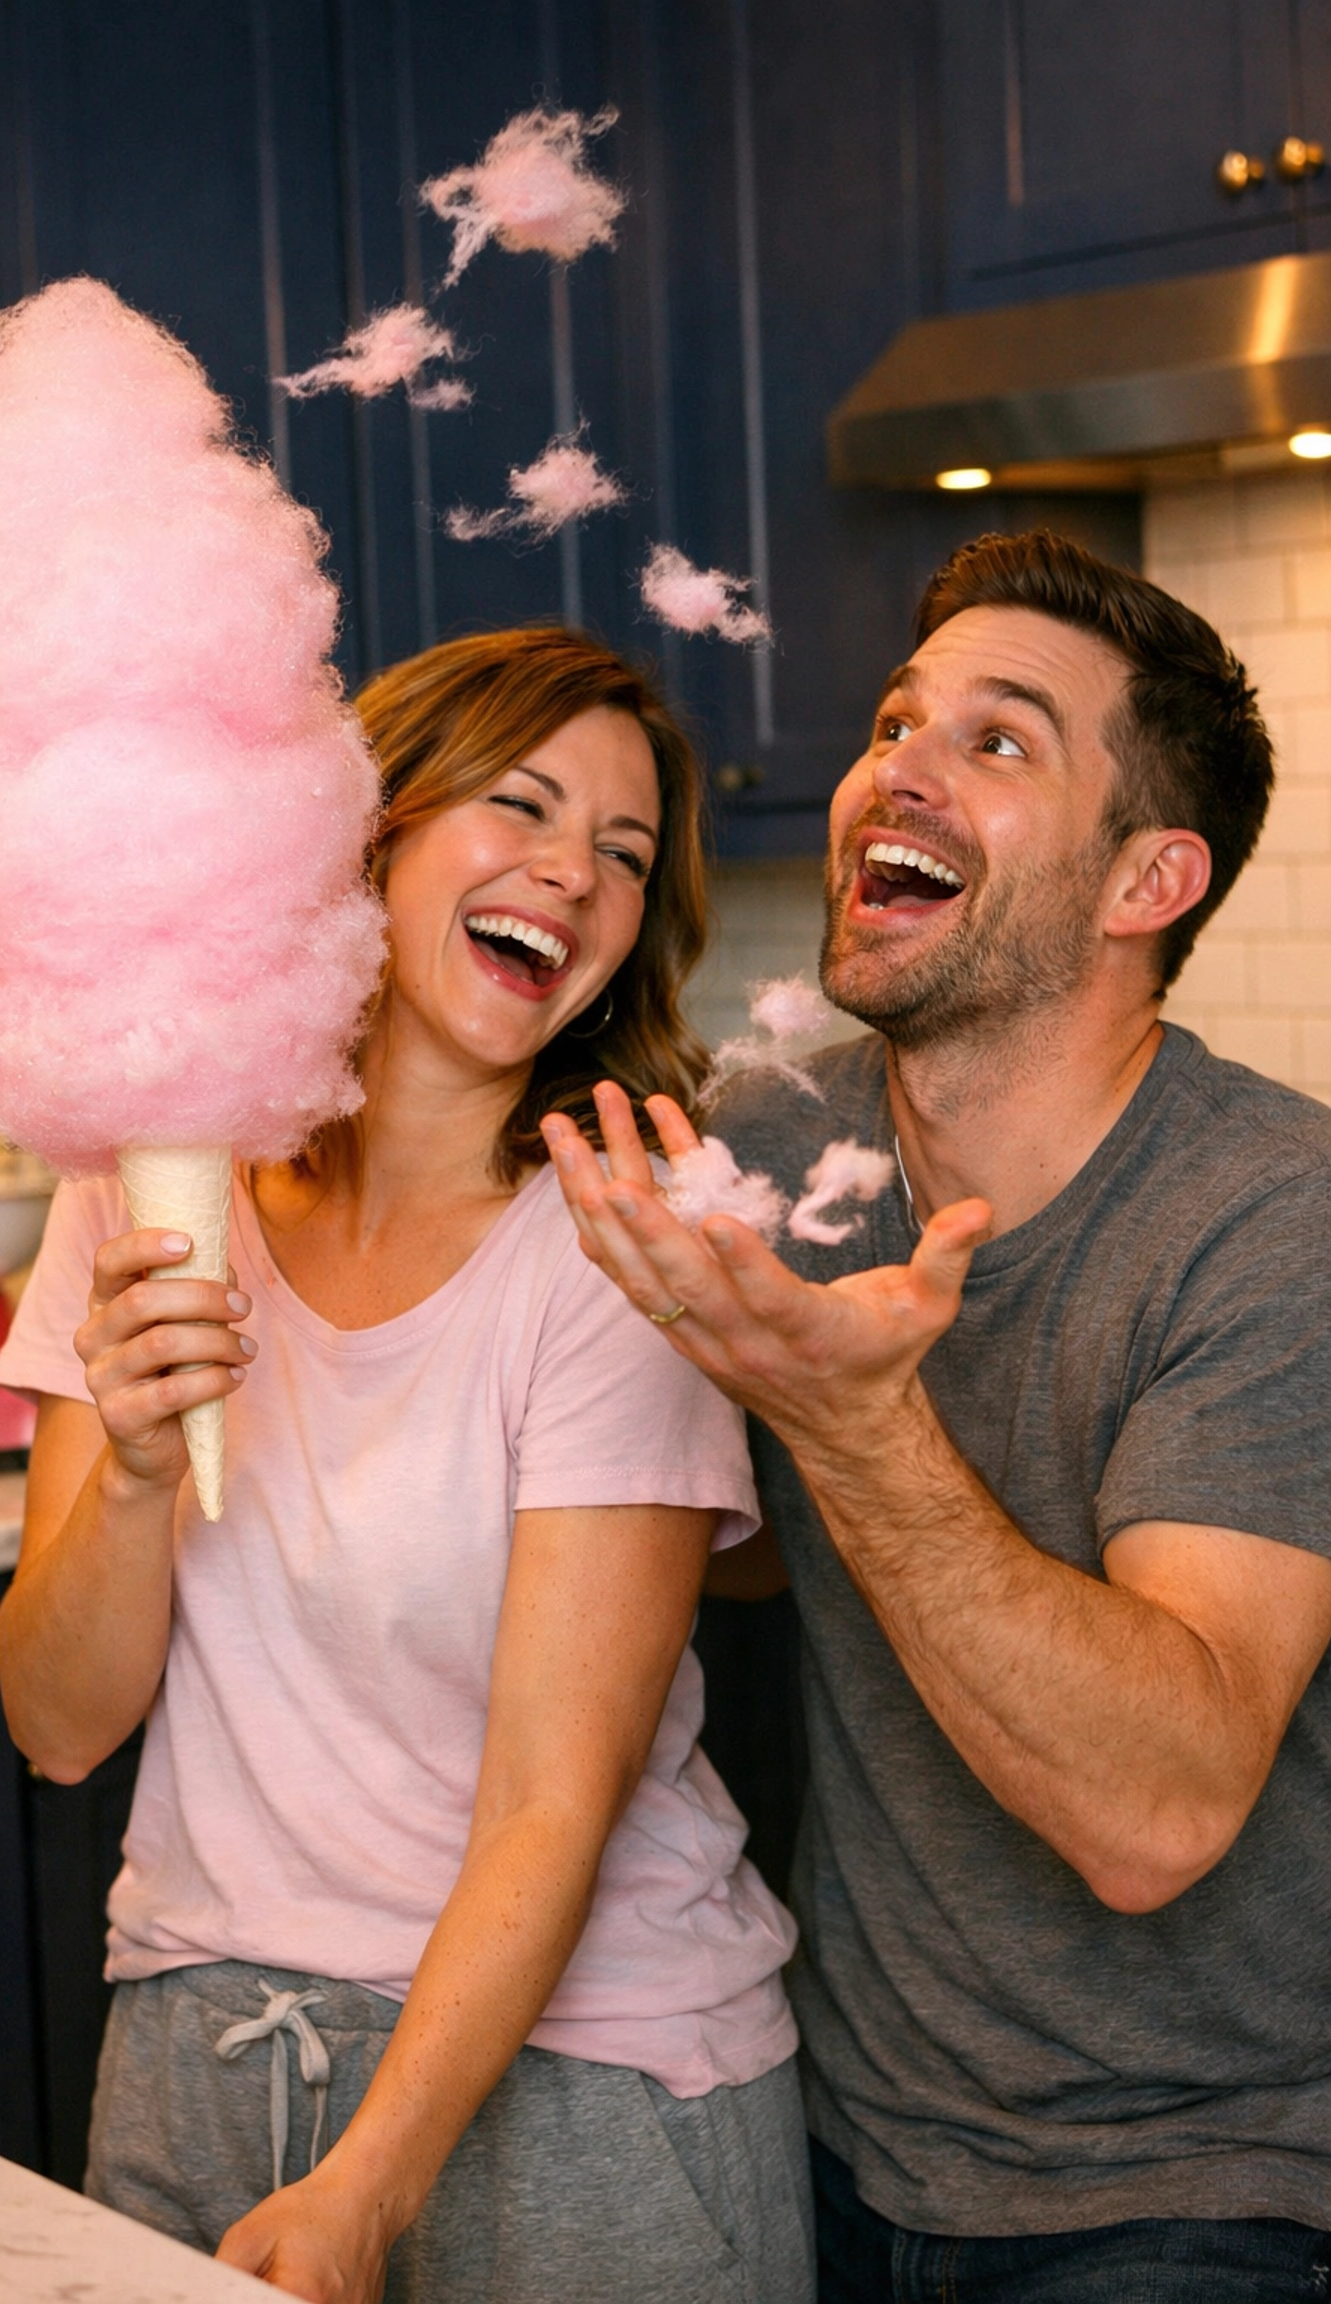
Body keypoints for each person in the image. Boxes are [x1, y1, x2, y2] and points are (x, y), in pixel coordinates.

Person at [542, 532, 1331, 2300]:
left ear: (1150, 881)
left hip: (1199, 2189)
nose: (895, 764)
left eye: (999, 740)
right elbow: (703, 1558)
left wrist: (851, 1424)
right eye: (899, 719)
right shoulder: (767, 1150)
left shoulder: (1278, 1216)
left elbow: (1163, 1813)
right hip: (825, 2129)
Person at [0, 627, 813, 2304]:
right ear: (362, 826)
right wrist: (138, 1472)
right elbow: (59, 1725)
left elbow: (548, 1807)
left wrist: (369, 2184)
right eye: (522, 804)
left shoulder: (615, 1243)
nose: (575, 875)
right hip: (198, 2043)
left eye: (628, 853)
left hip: (590, 2086)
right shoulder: (149, 1192)